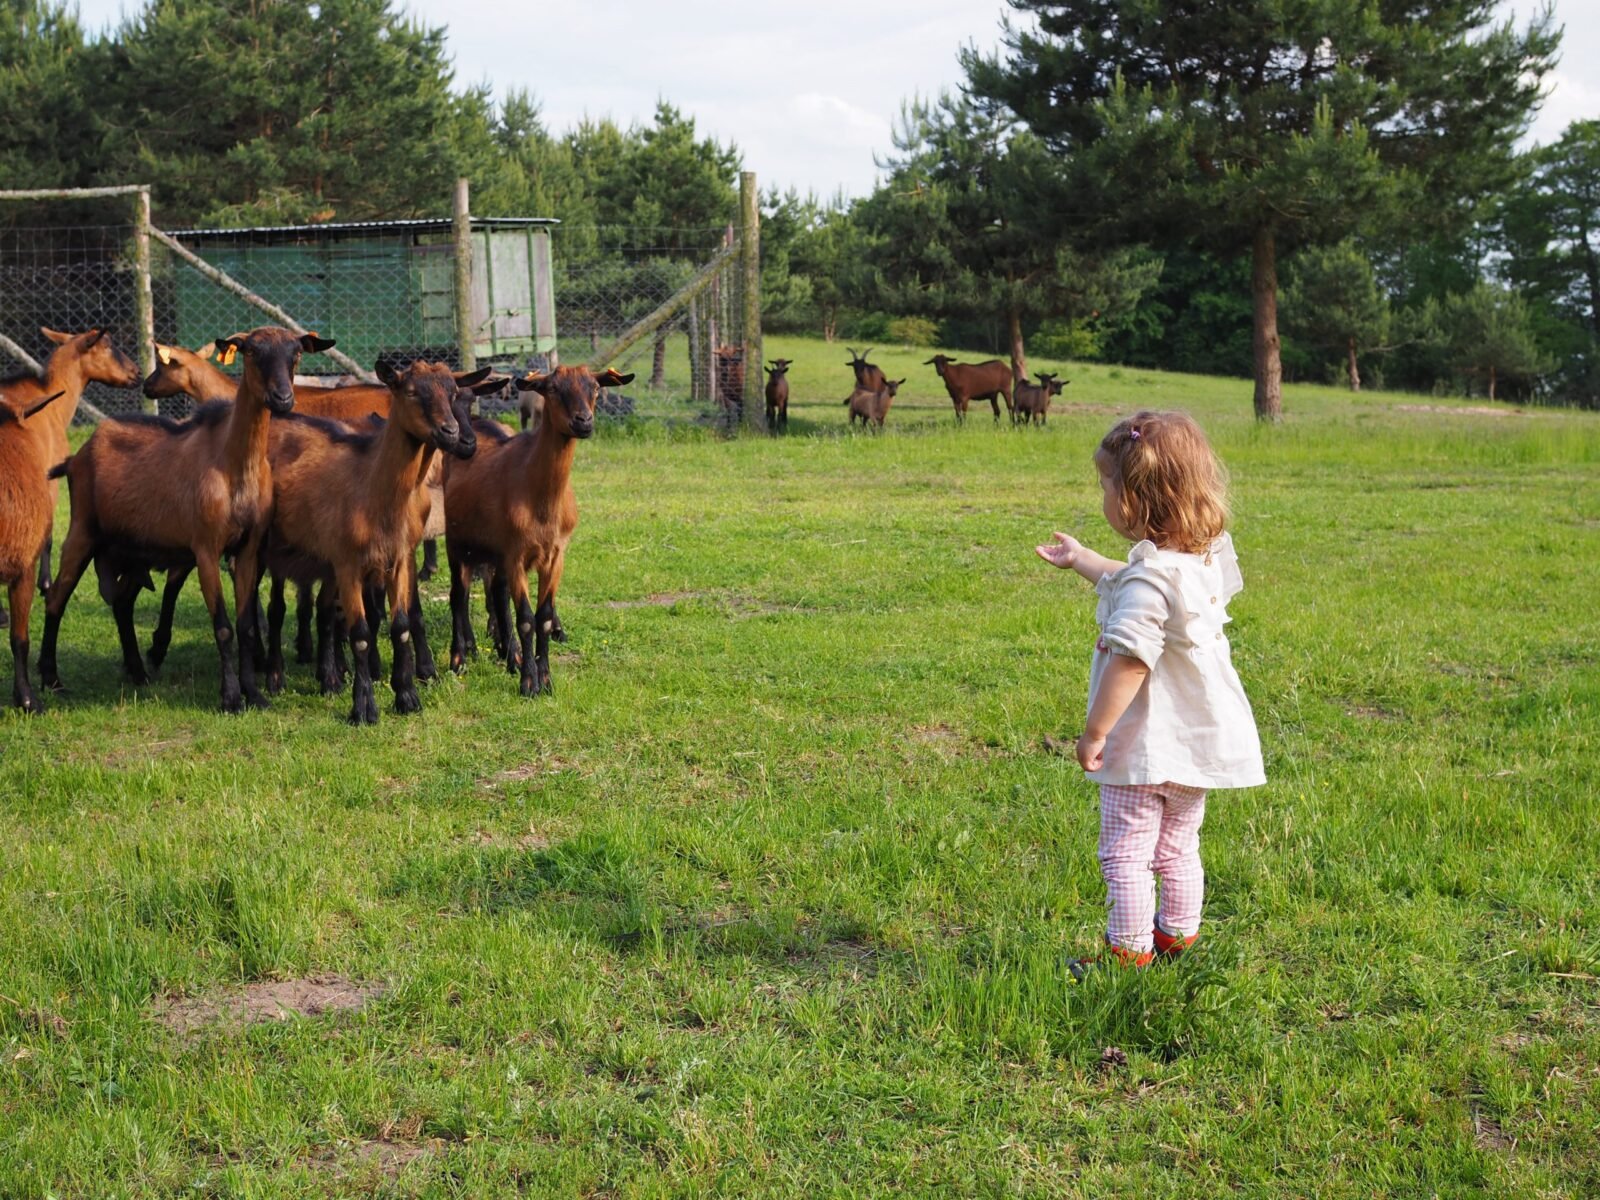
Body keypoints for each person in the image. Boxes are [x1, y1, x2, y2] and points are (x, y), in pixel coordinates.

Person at [1036, 411, 1265, 972]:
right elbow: (1137, 578)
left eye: (1105, 485)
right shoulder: (1199, 559)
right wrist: (1082, 559)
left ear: (1134, 500)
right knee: (1177, 848)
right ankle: (1177, 942)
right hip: (1197, 744)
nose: (1102, 496)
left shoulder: (1151, 579)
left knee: (1125, 855)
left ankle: (1127, 957)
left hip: (1144, 747)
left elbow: (1132, 657)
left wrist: (1096, 732)